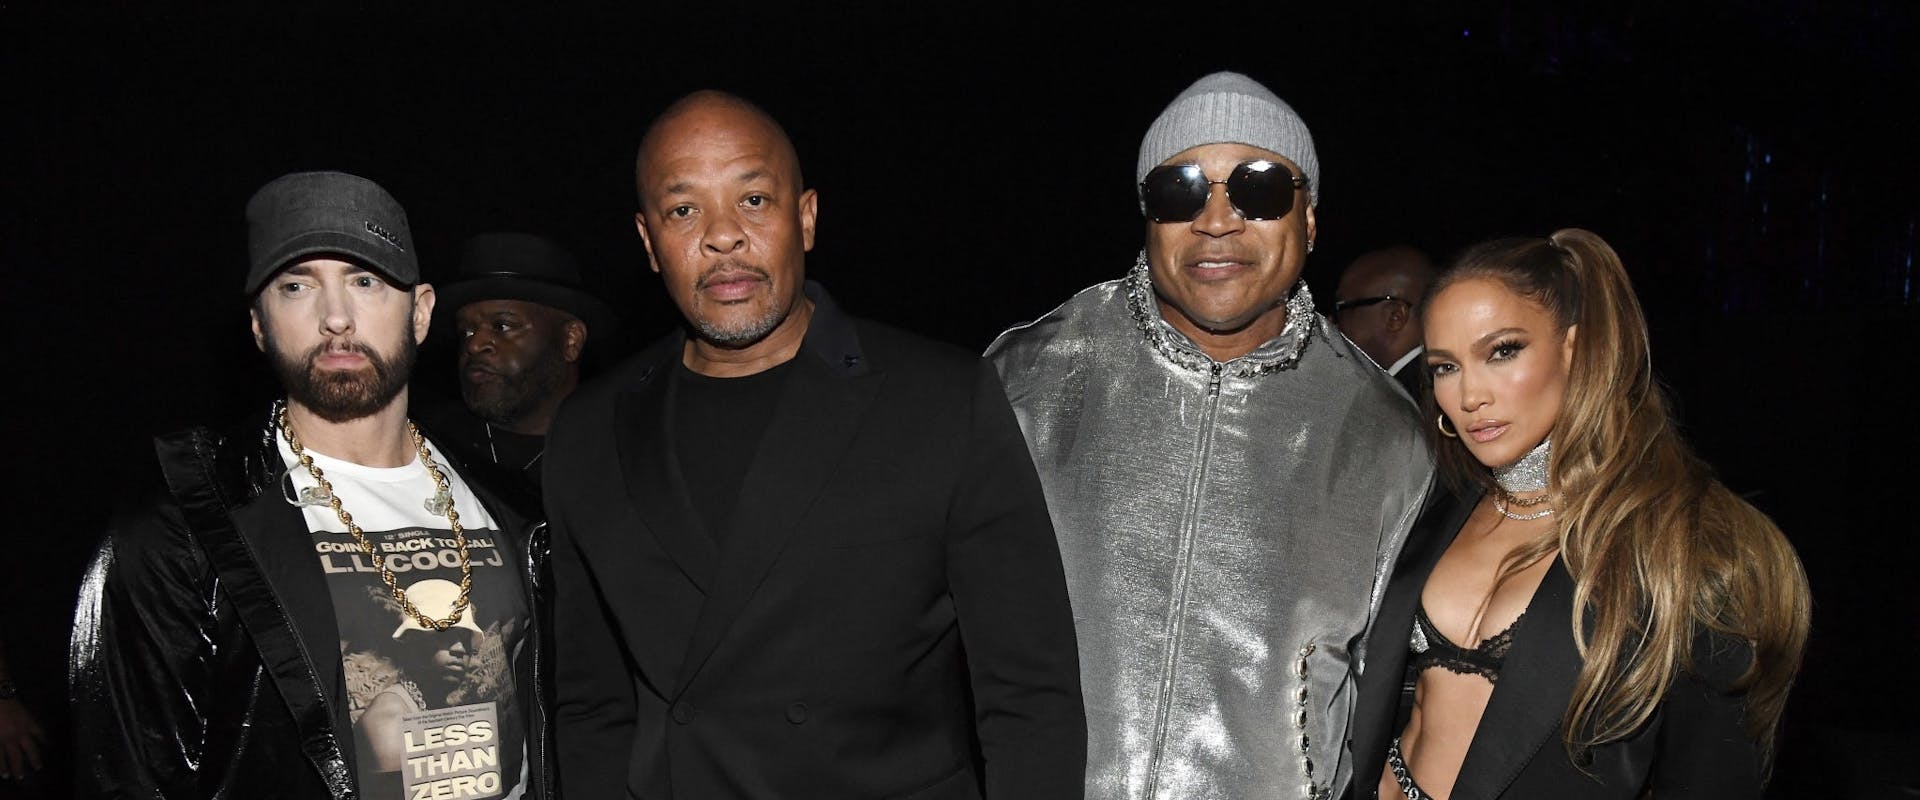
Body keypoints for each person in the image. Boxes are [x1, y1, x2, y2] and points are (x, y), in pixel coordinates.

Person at [543, 91, 1085, 799]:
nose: (723, 236)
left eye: (754, 200)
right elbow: (593, 707)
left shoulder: (941, 400)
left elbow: (1029, 694)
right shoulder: (590, 432)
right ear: (649, 242)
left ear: (805, 218)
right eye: (684, 210)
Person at [985, 71, 1434, 799]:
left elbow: (1399, 689)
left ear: (1309, 220)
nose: (1216, 219)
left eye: (1258, 190)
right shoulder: (1029, 376)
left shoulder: (1386, 432)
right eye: (1180, 191)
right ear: (1147, 218)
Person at [70, 171, 547, 800]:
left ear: (423, 311)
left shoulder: (512, 506)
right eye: (296, 286)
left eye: (365, 281)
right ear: (259, 324)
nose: (336, 317)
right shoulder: (182, 527)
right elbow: (128, 774)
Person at [1348, 229, 1811, 799]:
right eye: (1445, 367)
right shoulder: (1437, 503)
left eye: (1502, 351)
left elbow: (1710, 775)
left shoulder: (1685, 547)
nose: (1470, 396)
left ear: (1576, 347)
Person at [424, 231, 617, 519]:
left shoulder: (621, 452)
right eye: (466, 331)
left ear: (571, 341)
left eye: (503, 326)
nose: (474, 344)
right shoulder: (428, 451)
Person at [1334, 245, 1438, 401]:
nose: (1331, 322)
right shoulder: (1434, 382)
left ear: (1394, 316)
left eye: (1341, 308)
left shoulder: (1398, 402)